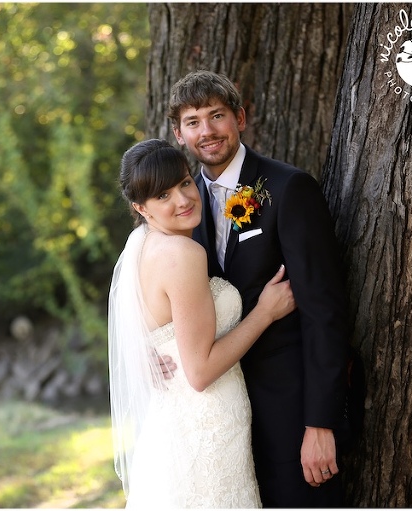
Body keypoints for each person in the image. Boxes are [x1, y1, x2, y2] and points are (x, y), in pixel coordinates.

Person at [162, 70, 350, 507]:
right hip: (221, 418)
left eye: (217, 115)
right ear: (179, 133)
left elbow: (326, 313)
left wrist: (320, 424)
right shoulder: (181, 207)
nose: (206, 131)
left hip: (290, 415)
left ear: (240, 119)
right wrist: (160, 352)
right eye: (193, 121)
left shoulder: (288, 189)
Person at [108, 138, 297, 508]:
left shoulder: (141, 246)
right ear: (140, 208)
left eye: (183, 183)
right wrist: (265, 313)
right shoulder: (183, 254)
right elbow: (200, 371)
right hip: (205, 430)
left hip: (173, 431)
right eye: (163, 197)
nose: (182, 200)